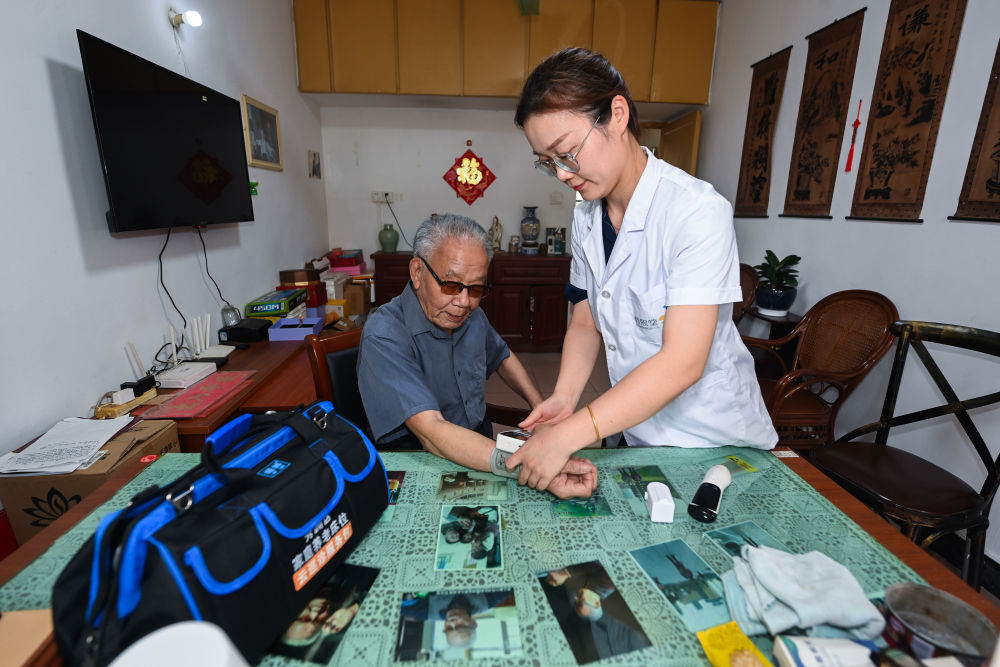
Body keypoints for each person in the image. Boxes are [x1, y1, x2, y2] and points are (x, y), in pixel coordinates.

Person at [507, 47, 777, 492]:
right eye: (547, 162)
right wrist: (565, 399)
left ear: (617, 115)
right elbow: (586, 317)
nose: (561, 174)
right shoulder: (587, 216)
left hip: (713, 442)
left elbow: (683, 362)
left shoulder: (695, 211)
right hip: (639, 433)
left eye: (566, 152)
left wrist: (571, 434)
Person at [358, 213, 598, 499]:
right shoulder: (385, 334)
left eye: (476, 289)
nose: (463, 302)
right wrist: (530, 465)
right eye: (450, 285)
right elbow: (431, 433)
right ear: (417, 272)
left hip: (480, 447)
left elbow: (503, 356)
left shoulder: (472, 316)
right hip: (417, 457)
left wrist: (540, 410)